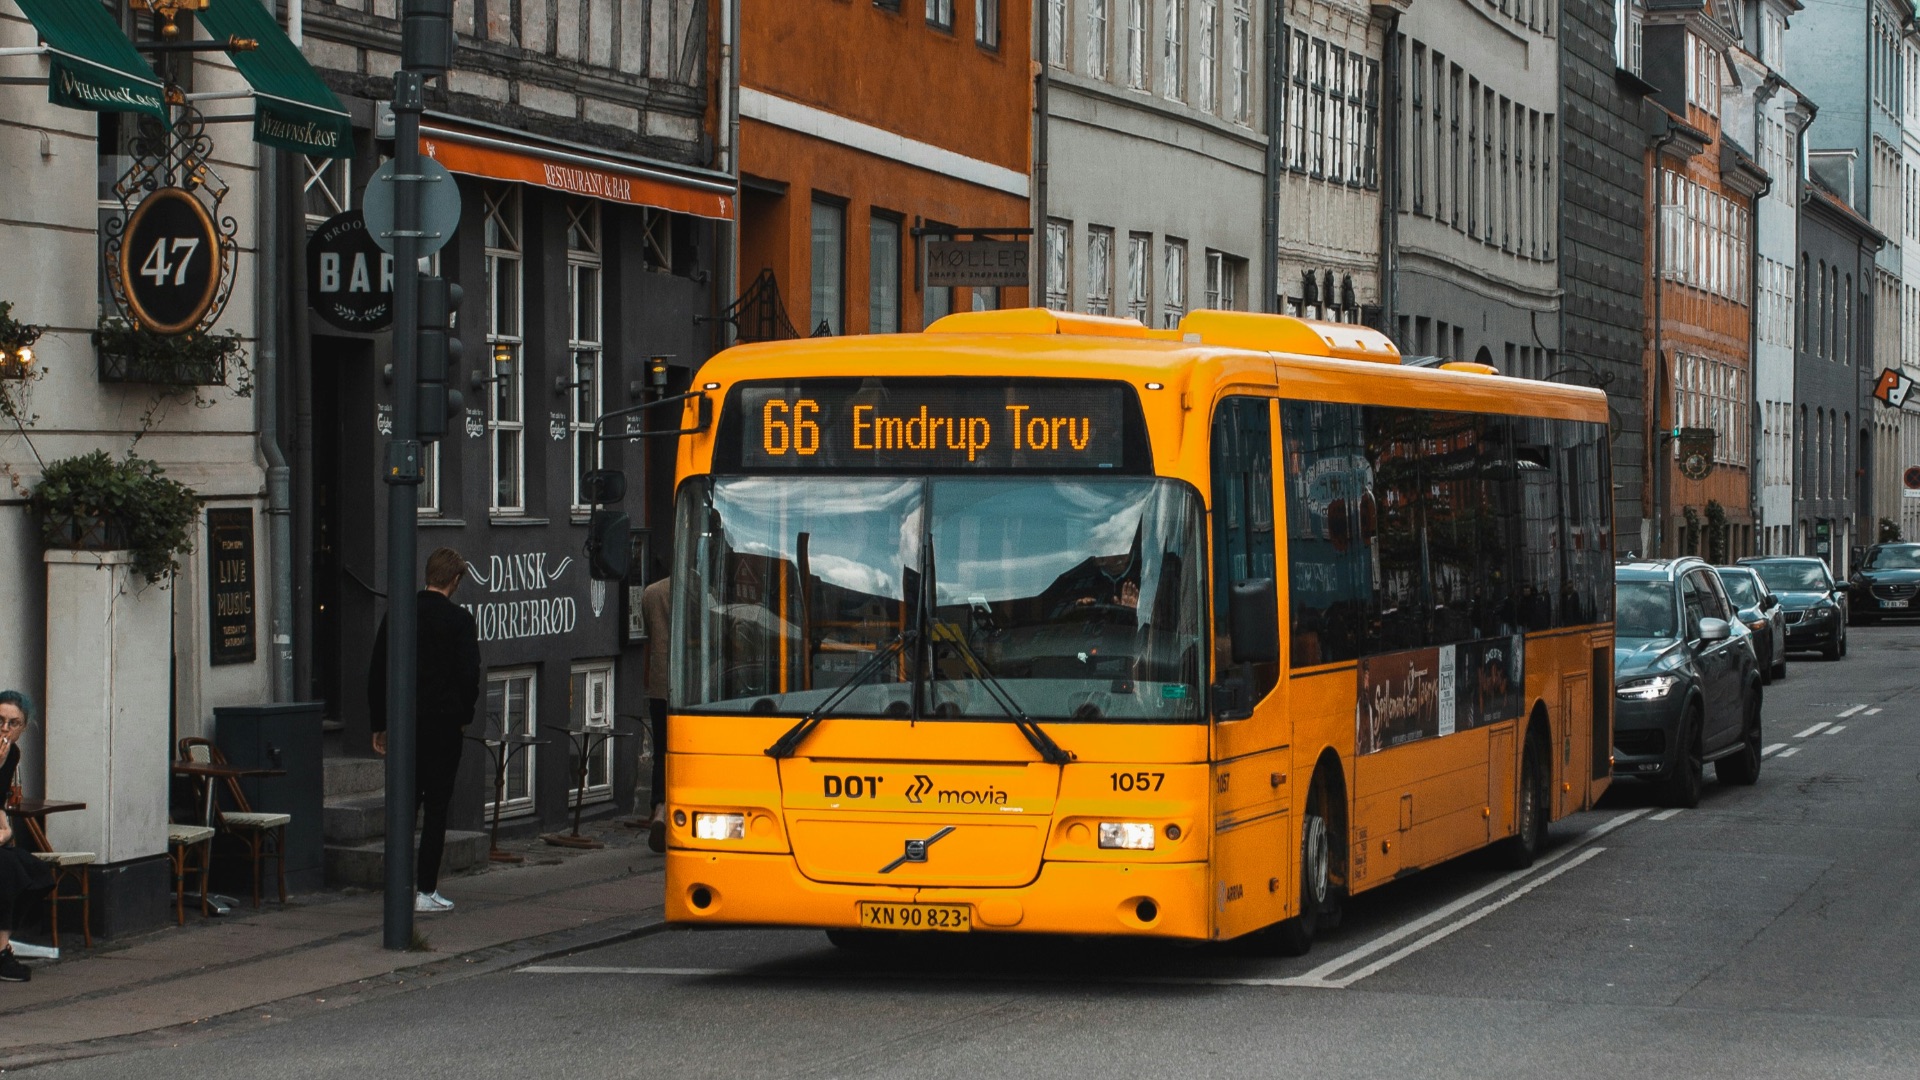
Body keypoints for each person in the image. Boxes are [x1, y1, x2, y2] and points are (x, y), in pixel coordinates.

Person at [368, 548, 481, 914]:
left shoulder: (400, 613)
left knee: (404, 804)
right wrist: (464, 715)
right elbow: (469, 675)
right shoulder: (460, 621)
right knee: (435, 809)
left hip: (405, 723)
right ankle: (425, 889)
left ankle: (396, 883)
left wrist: (379, 723)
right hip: (444, 725)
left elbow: (378, 670)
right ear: (455, 580)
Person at [0, 690, 56, 983]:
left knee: (35, 872)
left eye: (13, 723)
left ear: (22, 727)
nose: (5, 729)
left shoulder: (13, 754)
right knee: (7, 868)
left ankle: (1, 945)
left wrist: (6, 831)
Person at [641, 574, 672, 854]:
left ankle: (660, 810)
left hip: (659, 685)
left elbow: (650, 632)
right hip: (690, 689)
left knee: (661, 751)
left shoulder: (651, 592)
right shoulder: (700, 591)